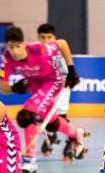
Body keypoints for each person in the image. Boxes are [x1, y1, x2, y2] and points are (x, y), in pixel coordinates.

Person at [0, 26, 89, 173]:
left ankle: (29, 160)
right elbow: (2, 89)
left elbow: (62, 43)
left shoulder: (40, 49)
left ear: (24, 44)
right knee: (50, 123)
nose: (14, 51)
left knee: (27, 115)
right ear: (6, 46)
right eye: (10, 47)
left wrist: (71, 68)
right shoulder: (6, 58)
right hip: (34, 86)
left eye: (17, 46)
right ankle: (76, 133)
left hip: (52, 82)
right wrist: (14, 88)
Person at [37, 23, 75, 157]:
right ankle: (51, 136)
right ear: (38, 38)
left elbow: (67, 61)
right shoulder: (37, 52)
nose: (46, 41)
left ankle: (71, 140)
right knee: (45, 115)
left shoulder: (58, 47)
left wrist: (71, 73)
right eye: (43, 37)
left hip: (63, 85)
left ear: (54, 37)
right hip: (47, 87)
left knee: (61, 115)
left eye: (49, 37)